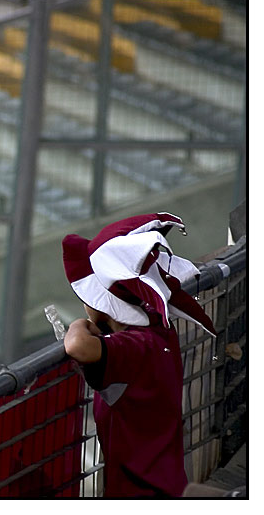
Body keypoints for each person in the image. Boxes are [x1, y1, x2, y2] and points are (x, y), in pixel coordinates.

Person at [61, 212, 216, 498]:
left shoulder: (129, 348)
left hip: (138, 490)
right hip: (166, 479)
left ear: (104, 301)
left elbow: (76, 346)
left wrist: (78, 325)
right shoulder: (157, 328)